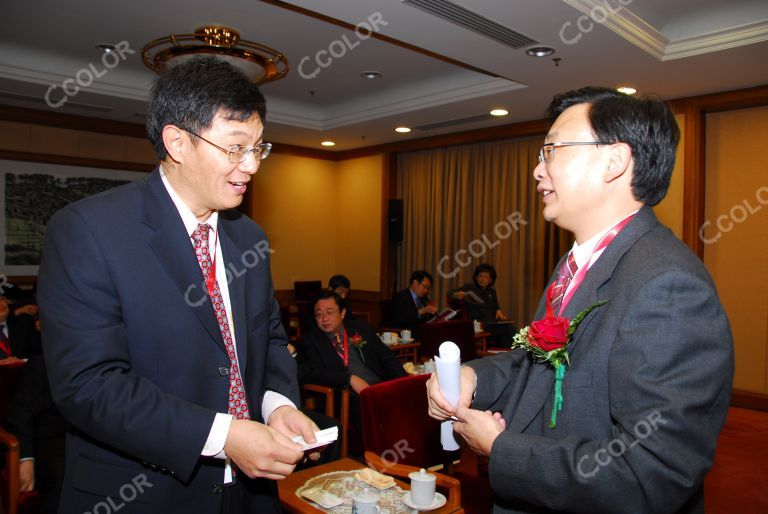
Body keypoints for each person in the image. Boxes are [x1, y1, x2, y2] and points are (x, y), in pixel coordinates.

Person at [427, 87, 733, 513]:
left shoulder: (667, 284)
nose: (537, 170)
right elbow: (535, 367)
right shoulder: (577, 264)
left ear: (615, 161)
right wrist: (473, 377)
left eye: (550, 150)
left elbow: (652, 474)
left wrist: (502, 449)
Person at [38, 57, 320, 514]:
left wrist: (276, 406)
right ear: (177, 142)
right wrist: (223, 435)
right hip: (141, 493)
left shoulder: (249, 236)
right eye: (234, 148)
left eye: (258, 148)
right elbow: (89, 385)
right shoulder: (89, 230)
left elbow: (267, 340)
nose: (250, 166)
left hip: (248, 495)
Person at [296, 291, 407, 451]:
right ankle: (372, 458)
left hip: (377, 387)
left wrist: (404, 383)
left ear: (342, 312)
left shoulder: (361, 329)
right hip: (344, 395)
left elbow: (387, 358)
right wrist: (349, 379)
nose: (324, 319)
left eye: (329, 312)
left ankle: (406, 455)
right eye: (318, 315)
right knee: (364, 407)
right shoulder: (310, 341)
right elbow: (313, 372)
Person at [5, 355, 69, 513]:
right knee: (62, 480)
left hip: (81, 438)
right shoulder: (43, 360)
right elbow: (20, 411)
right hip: (47, 440)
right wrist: (26, 458)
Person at [447, 263, 515, 346]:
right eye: (480, 276)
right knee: (508, 328)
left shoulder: (492, 291)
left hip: (492, 323)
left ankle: (512, 354)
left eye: (486, 277)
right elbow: (450, 293)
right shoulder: (469, 287)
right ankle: (522, 350)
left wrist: (498, 310)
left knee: (507, 329)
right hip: (478, 324)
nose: (483, 279)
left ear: (490, 280)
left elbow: (496, 307)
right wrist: (456, 295)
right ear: (476, 277)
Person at [0, 295, 39, 362]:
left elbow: (39, 355)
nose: (0, 304)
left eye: (1, 299)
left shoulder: (24, 324)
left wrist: (22, 362)